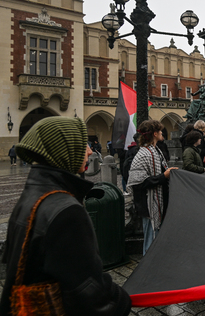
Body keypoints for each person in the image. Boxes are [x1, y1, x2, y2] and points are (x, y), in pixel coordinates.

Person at [0, 117, 131, 315]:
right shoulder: (66, 210)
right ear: (64, 150)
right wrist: (122, 302)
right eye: (83, 145)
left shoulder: (32, 196)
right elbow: (91, 293)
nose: (89, 150)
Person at [127, 120, 178, 255]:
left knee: (156, 237)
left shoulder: (156, 151)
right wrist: (164, 176)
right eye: (160, 131)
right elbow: (138, 183)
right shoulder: (143, 154)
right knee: (150, 240)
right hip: (148, 205)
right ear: (155, 134)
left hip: (159, 202)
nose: (162, 132)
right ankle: (147, 267)